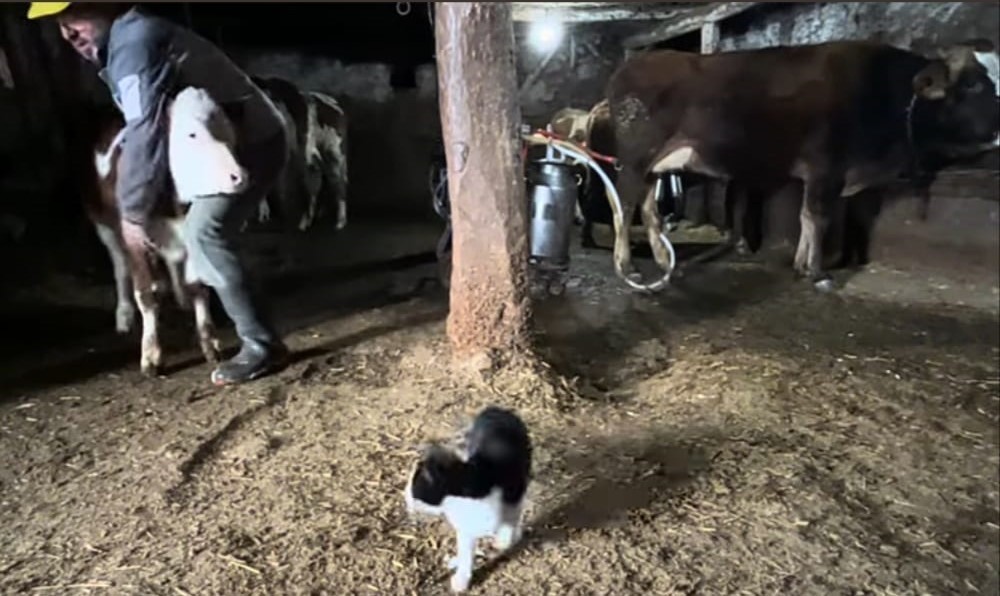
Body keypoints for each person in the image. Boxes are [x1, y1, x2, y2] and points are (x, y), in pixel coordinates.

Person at [28, 2, 291, 386]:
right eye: (60, 25)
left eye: (75, 17)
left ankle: (262, 345)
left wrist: (132, 213)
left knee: (204, 234)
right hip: (219, 143)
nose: (68, 33)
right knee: (207, 238)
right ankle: (255, 327)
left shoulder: (133, 45)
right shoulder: (125, 44)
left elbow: (144, 131)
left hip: (246, 144)